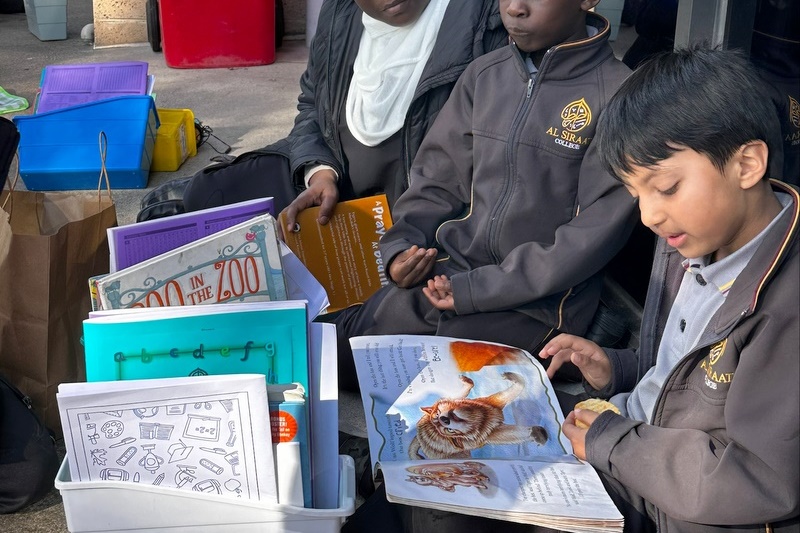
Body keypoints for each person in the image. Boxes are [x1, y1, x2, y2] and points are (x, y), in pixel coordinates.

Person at [539, 46, 799, 532]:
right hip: (633, 453)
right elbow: (690, 375)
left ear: (746, 165)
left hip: (681, 505)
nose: (648, 215)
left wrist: (612, 441)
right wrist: (617, 367)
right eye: (636, 194)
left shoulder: (787, 306)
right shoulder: (691, 241)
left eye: (667, 187)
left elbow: (758, 478)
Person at [334, 0, 635, 390]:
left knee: (412, 376)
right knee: (343, 351)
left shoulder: (616, 96)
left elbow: (588, 239)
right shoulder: (484, 75)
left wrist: (474, 291)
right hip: (451, 278)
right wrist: (399, 249)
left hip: (540, 308)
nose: (514, 8)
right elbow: (435, 181)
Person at [174, 0, 509, 226]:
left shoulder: (481, 21)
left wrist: (418, 231)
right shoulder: (341, 15)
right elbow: (311, 104)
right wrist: (319, 173)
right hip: (339, 189)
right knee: (210, 194)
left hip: (421, 213)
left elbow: (496, 160)